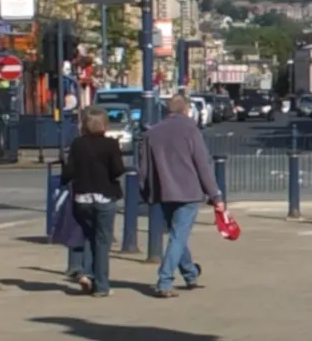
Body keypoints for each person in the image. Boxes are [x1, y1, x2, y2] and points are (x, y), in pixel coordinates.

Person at [137, 94, 222, 297]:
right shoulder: (190, 129)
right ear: (186, 110)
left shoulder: (152, 133)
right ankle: (165, 281)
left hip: (164, 191)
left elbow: (144, 169)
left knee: (177, 235)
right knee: (178, 236)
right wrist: (215, 194)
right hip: (188, 191)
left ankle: (191, 274)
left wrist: (146, 192)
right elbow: (202, 164)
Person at [61, 107, 125, 296]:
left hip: (82, 198)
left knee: (89, 236)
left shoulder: (77, 144)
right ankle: (102, 286)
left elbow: (69, 171)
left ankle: (86, 273)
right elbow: (118, 170)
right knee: (103, 241)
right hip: (104, 196)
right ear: (105, 125)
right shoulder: (110, 145)